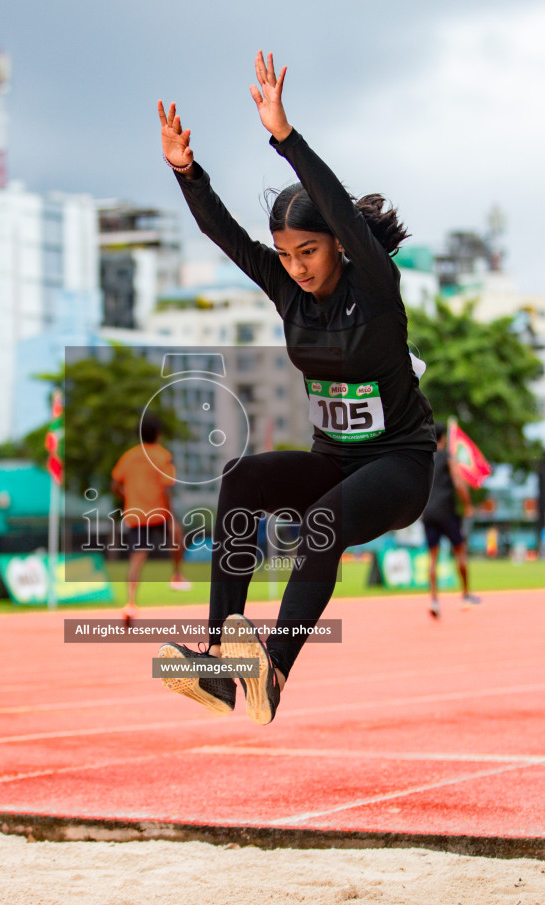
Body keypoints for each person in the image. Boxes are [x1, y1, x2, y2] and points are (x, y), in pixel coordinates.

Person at [156, 51, 436, 725]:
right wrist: (185, 172)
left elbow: (334, 205)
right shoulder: (288, 291)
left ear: (338, 245)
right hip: (332, 462)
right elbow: (221, 233)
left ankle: (272, 674)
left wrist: (285, 139)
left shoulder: (373, 288)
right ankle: (225, 659)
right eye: (285, 254)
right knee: (244, 480)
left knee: (318, 530)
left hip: (397, 467)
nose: (296, 267)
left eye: (307, 251)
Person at [111, 412, 190, 626]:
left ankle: (130, 603)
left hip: (136, 514)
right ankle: (176, 575)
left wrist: (129, 497)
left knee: (136, 562)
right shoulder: (162, 455)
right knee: (176, 534)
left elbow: (115, 484)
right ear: (158, 433)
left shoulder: (129, 456)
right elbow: (166, 487)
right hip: (159, 511)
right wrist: (170, 513)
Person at [422, 422, 481, 618]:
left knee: (433, 558)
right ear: (444, 438)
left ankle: (434, 600)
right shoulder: (447, 456)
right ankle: (465, 595)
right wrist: (468, 505)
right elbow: (458, 482)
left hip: (428, 512)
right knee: (460, 551)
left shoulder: (426, 458)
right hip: (446, 512)